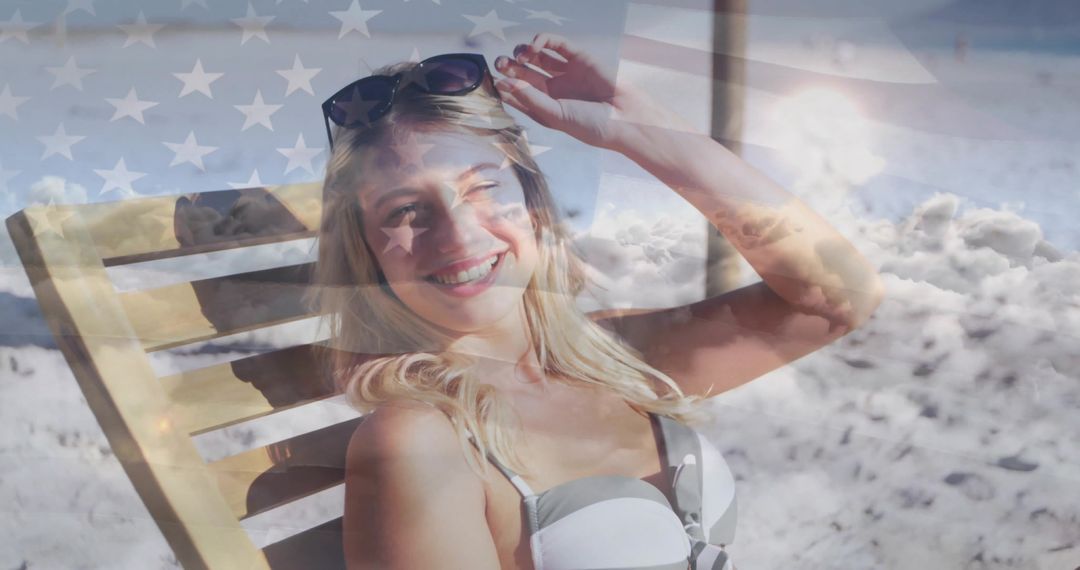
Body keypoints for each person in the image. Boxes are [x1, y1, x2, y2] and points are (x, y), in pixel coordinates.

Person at [307, 33, 885, 570]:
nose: (459, 236)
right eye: (405, 211)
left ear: (533, 203)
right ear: (365, 252)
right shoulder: (423, 441)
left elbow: (835, 298)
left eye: (484, 187)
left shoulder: (613, 358)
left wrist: (643, 131)